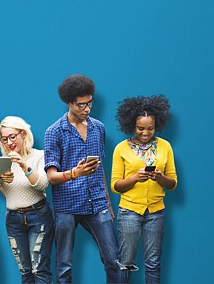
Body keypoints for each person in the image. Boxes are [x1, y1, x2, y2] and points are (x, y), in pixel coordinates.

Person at [44, 74, 125, 283]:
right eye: (81, 105)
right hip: (67, 206)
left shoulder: (99, 127)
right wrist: (75, 173)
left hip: (97, 203)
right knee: (64, 266)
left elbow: (100, 169)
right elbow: (51, 177)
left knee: (115, 260)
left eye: (90, 103)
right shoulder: (54, 132)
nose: (87, 109)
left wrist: (108, 203)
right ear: (68, 103)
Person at [111, 95, 178, 284]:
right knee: (126, 263)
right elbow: (115, 186)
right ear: (132, 125)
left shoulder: (165, 147)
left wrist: (160, 177)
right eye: (141, 128)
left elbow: (173, 183)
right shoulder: (121, 149)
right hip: (129, 212)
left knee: (153, 263)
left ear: (157, 125)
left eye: (150, 128)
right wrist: (134, 178)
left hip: (156, 212)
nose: (146, 133)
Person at [0, 116, 54, 284]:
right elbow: (6, 193)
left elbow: (42, 184)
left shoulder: (39, 156)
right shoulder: (3, 162)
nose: (9, 142)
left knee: (40, 270)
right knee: (25, 272)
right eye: (4, 138)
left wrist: (23, 165)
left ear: (23, 134)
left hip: (39, 217)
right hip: (13, 219)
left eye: (12, 136)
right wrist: (2, 180)